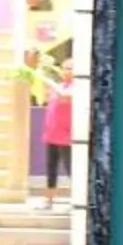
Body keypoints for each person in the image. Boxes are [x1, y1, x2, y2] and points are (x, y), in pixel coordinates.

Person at [39, 60, 76, 203]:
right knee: (51, 168)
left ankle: (79, 198)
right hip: (52, 134)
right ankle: (48, 200)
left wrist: (49, 81)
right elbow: (47, 102)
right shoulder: (58, 86)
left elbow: (65, 97)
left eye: (70, 68)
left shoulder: (77, 87)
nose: (67, 71)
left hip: (66, 135)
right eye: (64, 68)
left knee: (70, 168)